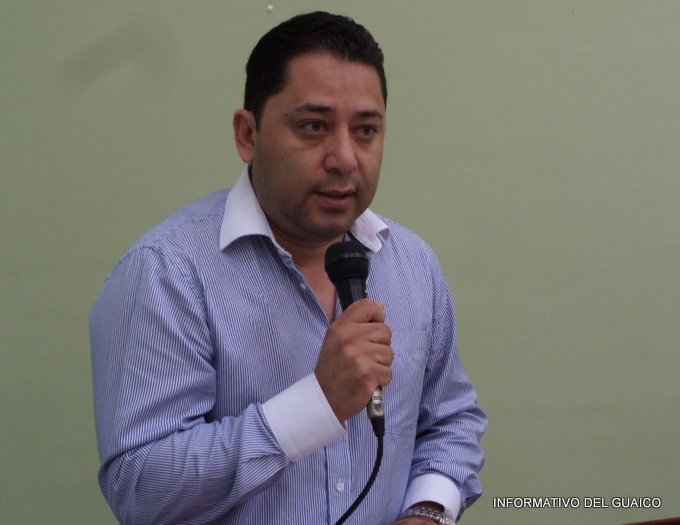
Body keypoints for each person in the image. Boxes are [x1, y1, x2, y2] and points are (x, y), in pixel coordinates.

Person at [90, 11, 486, 525]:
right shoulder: (167, 273)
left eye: (366, 130)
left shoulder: (413, 265)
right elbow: (140, 489)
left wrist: (429, 512)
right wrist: (316, 405)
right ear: (247, 135)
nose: (345, 158)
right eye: (313, 127)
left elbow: (451, 423)